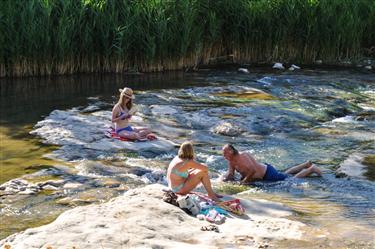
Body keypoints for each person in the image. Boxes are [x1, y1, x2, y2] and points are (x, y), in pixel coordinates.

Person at [222, 144, 322, 183]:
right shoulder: (231, 161)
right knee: (285, 174)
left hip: (267, 173)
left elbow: (252, 171)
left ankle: (311, 169)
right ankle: (305, 164)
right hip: (266, 171)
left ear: (231, 151)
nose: (223, 155)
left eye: (225, 153)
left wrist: (244, 182)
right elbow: (231, 174)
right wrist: (225, 179)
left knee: (290, 180)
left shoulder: (243, 156)